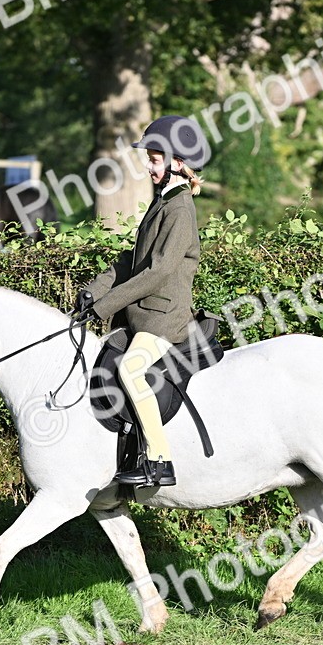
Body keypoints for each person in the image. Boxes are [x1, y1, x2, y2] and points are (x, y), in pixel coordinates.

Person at [77, 115, 209, 488]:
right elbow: (130, 260)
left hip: (163, 319)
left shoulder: (179, 209)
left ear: (177, 162)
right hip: (143, 316)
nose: (148, 167)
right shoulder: (163, 202)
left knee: (132, 370)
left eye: (154, 159)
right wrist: (93, 291)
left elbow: (157, 272)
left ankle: (160, 461)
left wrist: (104, 307)